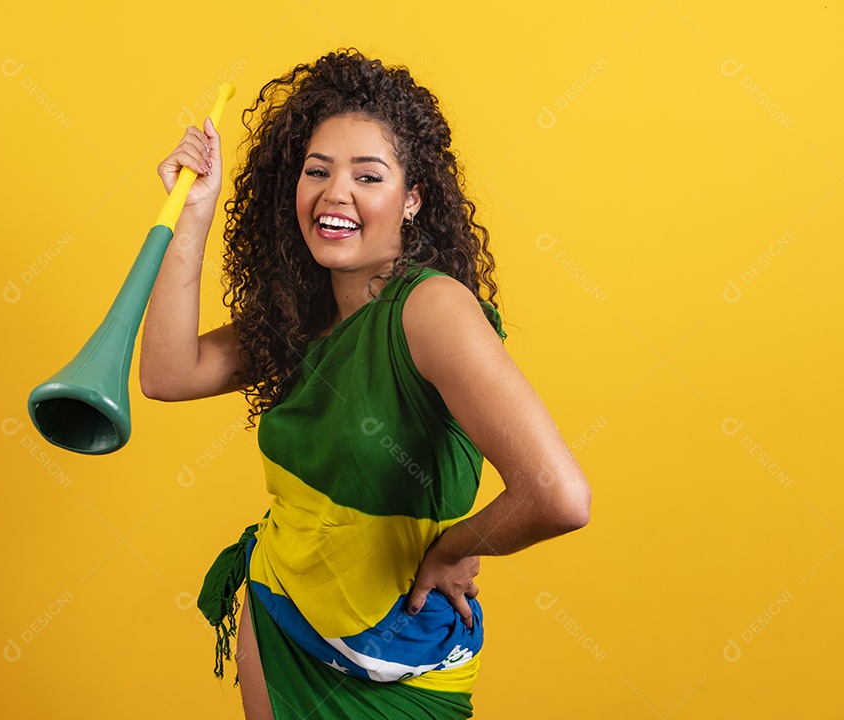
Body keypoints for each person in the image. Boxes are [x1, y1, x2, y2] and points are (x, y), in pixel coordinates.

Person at [139, 48, 591, 720]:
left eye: (368, 175)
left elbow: (560, 496)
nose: (335, 193)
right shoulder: (300, 318)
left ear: (413, 200)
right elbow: (166, 374)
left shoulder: (431, 311)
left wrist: (452, 549)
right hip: (280, 618)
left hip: (401, 663)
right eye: (316, 171)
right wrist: (194, 213)